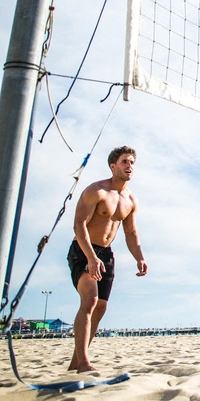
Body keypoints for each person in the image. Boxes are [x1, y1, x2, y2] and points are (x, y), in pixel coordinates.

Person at [68, 146, 148, 372]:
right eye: (124, 162)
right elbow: (78, 224)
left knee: (101, 307)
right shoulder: (97, 191)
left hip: (106, 253)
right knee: (90, 300)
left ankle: (75, 363)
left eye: (132, 162)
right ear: (113, 166)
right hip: (84, 249)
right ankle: (84, 363)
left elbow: (131, 233)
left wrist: (139, 258)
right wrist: (91, 257)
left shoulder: (130, 199)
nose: (129, 166)